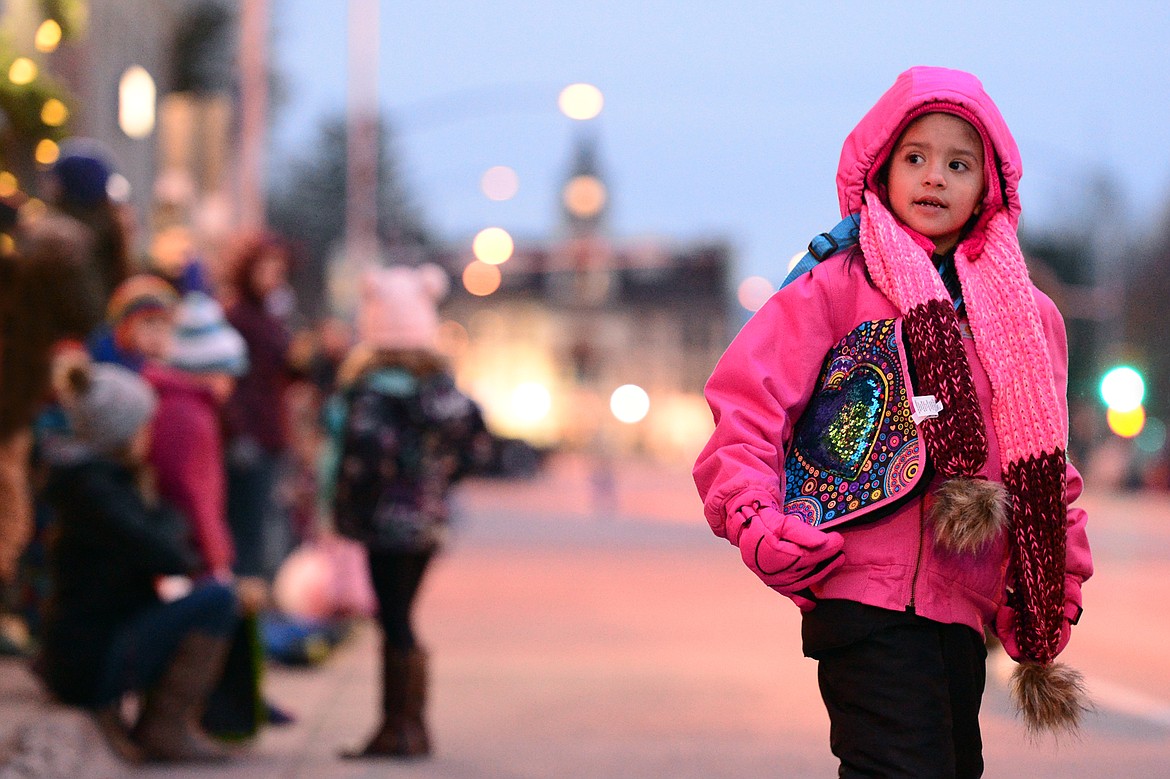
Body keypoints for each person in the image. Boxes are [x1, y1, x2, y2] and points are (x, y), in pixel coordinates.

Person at [692, 66, 1093, 777]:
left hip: (962, 607)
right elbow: (748, 408)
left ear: (987, 187)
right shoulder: (835, 284)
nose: (934, 177)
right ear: (882, 170)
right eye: (916, 157)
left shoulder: (1030, 320)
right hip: (860, 590)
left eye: (957, 163)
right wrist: (756, 516)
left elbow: (1049, 465)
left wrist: (1053, 582)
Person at [36, 362, 238, 763]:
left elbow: (164, 539)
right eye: (145, 424)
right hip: (91, 663)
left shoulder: (96, 482)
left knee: (213, 594)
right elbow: (169, 555)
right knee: (218, 599)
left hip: (85, 652)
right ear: (122, 434)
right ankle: (165, 726)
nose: (151, 433)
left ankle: (166, 722)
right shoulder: (98, 491)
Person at [326, 264, 488, 759]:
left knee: (393, 618)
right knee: (403, 616)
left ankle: (399, 728)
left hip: (382, 522)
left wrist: (345, 511)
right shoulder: (442, 390)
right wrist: (441, 482)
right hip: (427, 522)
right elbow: (477, 442)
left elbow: (361, 460)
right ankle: (408, 725)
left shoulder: (372, 392)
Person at [221, 231, 294, 580]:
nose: (273, 278)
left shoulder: (268, 316)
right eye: (267, 270)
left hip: (268, 432)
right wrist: (238, 433)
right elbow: (231, 384)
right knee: (249, 530)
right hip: (250, 437)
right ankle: (247, 619)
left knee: (266, 524)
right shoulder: (238, 318)